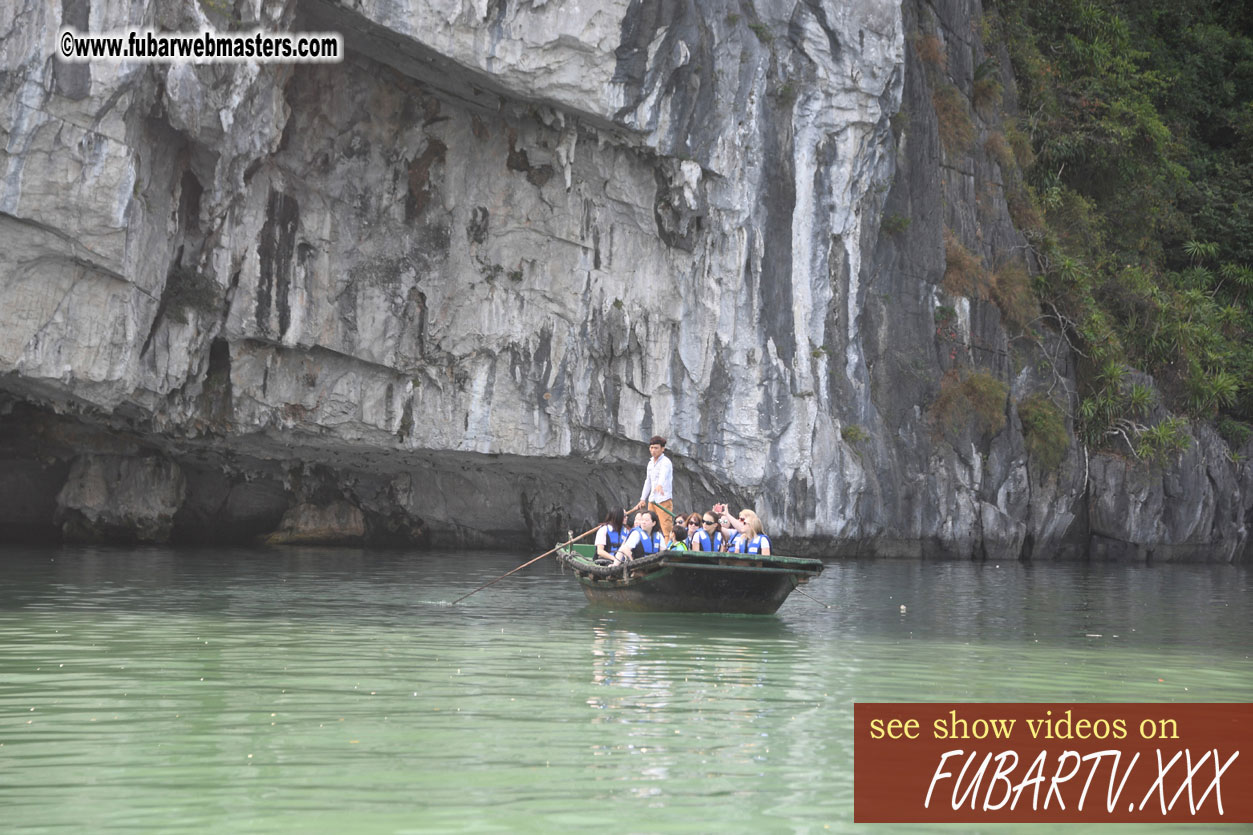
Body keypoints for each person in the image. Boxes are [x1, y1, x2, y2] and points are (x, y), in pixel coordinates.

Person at [632, 436, 674, 540]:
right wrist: (642, 499)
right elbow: (648, 481)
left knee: (665, 526)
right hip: (652, 499)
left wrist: (660, 485)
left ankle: (667, 547)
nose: (653, 450)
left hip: (663, 499)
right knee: (650, 524)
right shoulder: (650, 463)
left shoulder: (666, 462)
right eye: (651, 448)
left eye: (656, 448)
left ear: (662, 449)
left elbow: (663, 475)